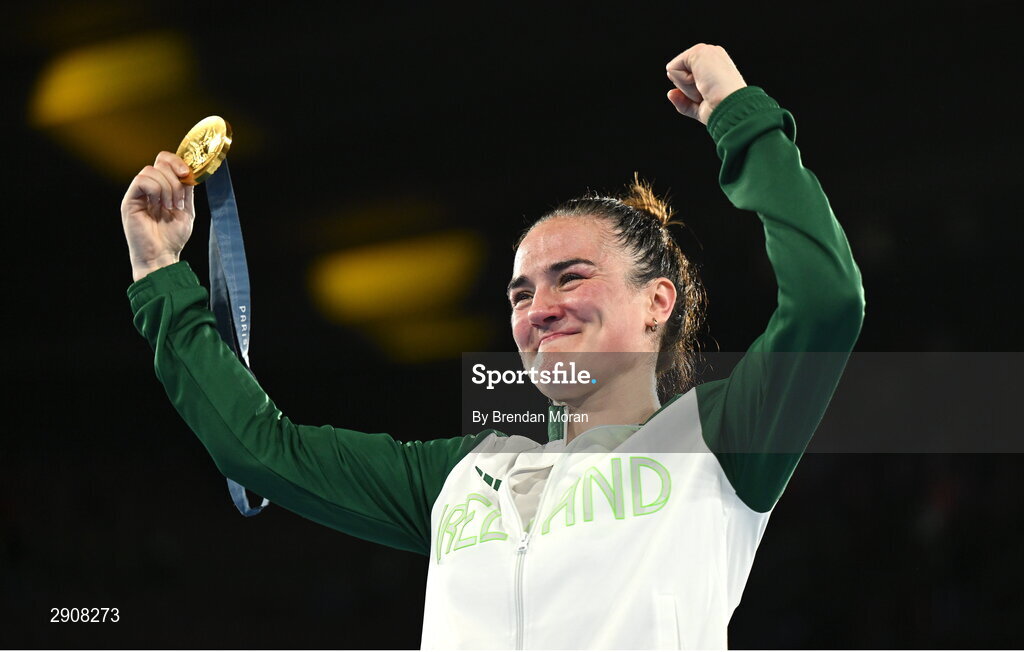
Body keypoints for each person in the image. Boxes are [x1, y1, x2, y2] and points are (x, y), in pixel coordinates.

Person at [122, 43, 864, 649]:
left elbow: (828, 301)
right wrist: (159, 273)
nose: (540, 310)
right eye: (519, 295)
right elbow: (260, 450)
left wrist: (740, 116)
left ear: (656, 303)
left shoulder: (722, 443)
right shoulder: (462, 474)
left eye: (570, 278)